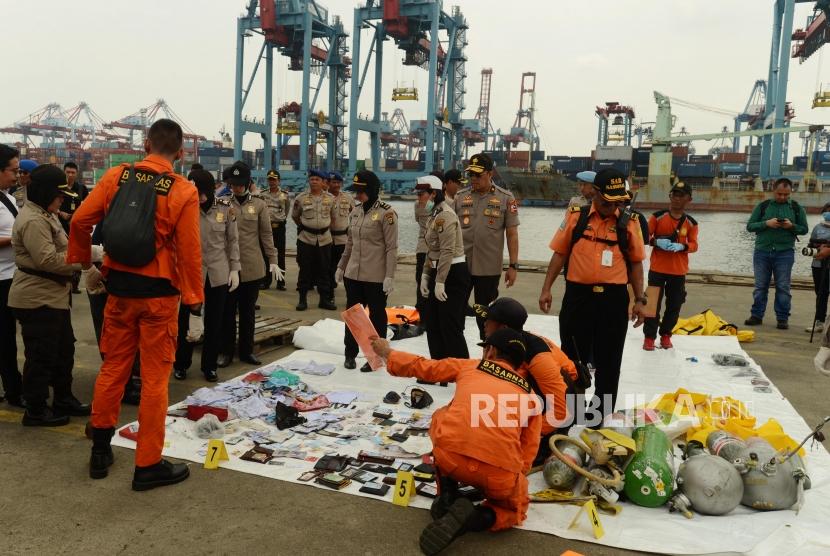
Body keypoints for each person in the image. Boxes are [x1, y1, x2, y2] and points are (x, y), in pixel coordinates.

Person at [68, 118, 202, 489]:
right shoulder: (182, 189)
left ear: (145, 145)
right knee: (156, 379)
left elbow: (80, 220)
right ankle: (147, 465)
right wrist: (194, 300)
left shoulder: (117, 176)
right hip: (159, 296)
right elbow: (190, 252)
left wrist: (85, 264)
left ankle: (99, 449)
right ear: (179, 152)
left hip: (119, 291)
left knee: (114, 368)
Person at [371, 329, 541, 555]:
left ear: (491, 351)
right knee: (515, 510)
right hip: (497, 475)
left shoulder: (470, 366)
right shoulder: (530, 396)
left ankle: (448, 494)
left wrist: (388, 353)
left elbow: (424, 366)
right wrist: (514, 481)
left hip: (451, 458)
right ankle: (473, 519)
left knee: (442, 416)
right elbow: (529, 449)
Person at [538, 169, 647, 423]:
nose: (614, 206)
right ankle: (573, 412)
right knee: (572, 358)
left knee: (609, 361)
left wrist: (639, 300)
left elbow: (636, 265)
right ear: (595, 193)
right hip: (578, 298)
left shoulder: (629, 223)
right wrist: (546, 288)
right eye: (609, 201)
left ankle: (599, 415)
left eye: (619, 201)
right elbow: (560, 254)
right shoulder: (577, 218)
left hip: (613, 300)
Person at [9, 165, 89, 426]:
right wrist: (87, 258)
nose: (63, 199)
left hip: (54, 296)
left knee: (64, 350)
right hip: (37, 297)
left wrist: (90, 257)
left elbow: (67, 248)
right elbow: (48, 260)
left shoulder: (46, 213)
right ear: (45, 192)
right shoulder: (33, 220)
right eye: (59, 194)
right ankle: (35, 409)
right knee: (41, 355)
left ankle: (63, 398)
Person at [477, 297, 578, 463]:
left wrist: (525, 434)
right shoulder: (497, 344)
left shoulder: (538, 358)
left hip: (564, 403)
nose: (484, 324)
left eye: (489, 320)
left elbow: (562, 411)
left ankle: (546, 438)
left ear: (503, 327)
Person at [175, 169, 240, 381]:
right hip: (191, 274)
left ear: (212, 189)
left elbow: (232, 241)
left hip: (218, 273)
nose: (200, 197)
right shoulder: (185, 208)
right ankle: (181, 363)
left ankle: (209, 365)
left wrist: (234, 269)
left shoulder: (225, 209)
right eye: (196, 192)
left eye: (203, 192)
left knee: (215, 321)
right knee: (186, 320)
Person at [217, 161, 279, 368]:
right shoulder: (223, 204)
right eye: (233, 184)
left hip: (252, 267)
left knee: (248, 312)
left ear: (247, 183)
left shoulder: (259, 205)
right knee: (227, 312)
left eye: (240, 184)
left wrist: (273, 260)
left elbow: (266, 235)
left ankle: (246, 351)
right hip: (228, 267)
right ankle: (225, 351)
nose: (236, 188)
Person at [335, 170, 397, 371]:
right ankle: (349, 354)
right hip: (353, 274)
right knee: (353, 316)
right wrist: (341, 267)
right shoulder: (355, 211)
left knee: (377, 316)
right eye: (356, 191)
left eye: (361, 191)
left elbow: (391, 248)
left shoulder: (387, 213)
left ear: (372, 190)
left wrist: (389, 276)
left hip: (376, 276)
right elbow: (350, 244)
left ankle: (376, 358)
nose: (357, 195)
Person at [454, 152, 520, 339]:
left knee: (485, 315)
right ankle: (457, 355)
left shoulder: (506, 198)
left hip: (488, 269)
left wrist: (513, 266)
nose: (473, 179)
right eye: (470, 175)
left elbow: (512, 234)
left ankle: (489, 352)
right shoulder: (460, 197)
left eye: (478, 174)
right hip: (461, 265)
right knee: (455, 311)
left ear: (490, 174)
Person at [87, 224, 142, 405]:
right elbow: (87, 244)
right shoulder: (105, 214)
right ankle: (120, 386)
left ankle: (127, 381)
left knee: (127, 338)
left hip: (123, 283)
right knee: (111, 339)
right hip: (103, 282)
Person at [744, 178, 808, 330]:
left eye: (786, 194)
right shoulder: (763, 206)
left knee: (783, 287)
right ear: (773, 190)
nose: (782, 197)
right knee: (760, 286)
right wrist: (766, 223)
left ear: (790, 192)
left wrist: (791, 226)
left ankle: (782, 318)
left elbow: (804, 229)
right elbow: (750, 226)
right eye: (779, 194)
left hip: (785, 252)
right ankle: (756, 315)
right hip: (762, 251)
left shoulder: (796, 208)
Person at [419, 174, 470, 359]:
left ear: (432, 194)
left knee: (450, 325)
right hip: (438, 270)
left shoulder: (446, 216)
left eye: (421, 194)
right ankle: (439, 368)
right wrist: (426, 275)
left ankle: (462, 369)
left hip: (453, 274)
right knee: (433, 324)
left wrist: (440, 281)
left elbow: (447, 251)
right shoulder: (434, 215)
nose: (419, 199)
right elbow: (432, 250)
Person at [643, 181, 699, 351]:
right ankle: (649, 337)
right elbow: (644, 237)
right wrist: (656, 241)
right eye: (674, 194)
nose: (676, 198)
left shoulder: (691, 223)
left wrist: (683, 246)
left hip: (678, 270)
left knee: (674, 305)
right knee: (652, 304)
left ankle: (666, 334)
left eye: (681, 195)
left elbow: (695, 244)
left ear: (688, 199)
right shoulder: (657, 217)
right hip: (657, 269)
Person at [292, 169, 337, 311]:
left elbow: (333, 217)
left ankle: (324, 300)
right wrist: (306, 227)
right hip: (306, 239)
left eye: (317, 179)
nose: (314, 182)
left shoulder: (330, 199)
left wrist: (322, 228)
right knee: (305, 269)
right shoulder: (300, 198)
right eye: (312, 179)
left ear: (322, 182)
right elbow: (295, 216)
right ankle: (302, 300)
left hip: (324, 239)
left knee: (325, 270)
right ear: (309, 181)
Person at [0, 146, 23, 407]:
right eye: (13, 171)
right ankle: (13, 389)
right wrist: (17, 239)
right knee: (4, 338)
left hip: (12, 275)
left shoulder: (7, 197)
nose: (17, 176)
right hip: (1, 279)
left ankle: (14, 383)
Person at [261, 169, 289, 291]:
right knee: (266, 254)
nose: (272, 182)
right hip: (266, 228)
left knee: (280, 255)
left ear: (279, 181)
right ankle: (266, 281)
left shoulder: (285, 195)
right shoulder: (262, 194)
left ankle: (280, 282)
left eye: (274, 180)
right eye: (270, 180)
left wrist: (280, 220)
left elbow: (287, 210)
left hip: (279, 227)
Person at [328, 171, 354, 300]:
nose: (336, 185)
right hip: (327, 238)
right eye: (334, 182)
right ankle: (329, 294)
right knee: (328, 267)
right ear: (328, 183)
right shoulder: (324, 198)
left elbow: (355, 214)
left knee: (345, 267)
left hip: (343, 238)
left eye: (338, 182)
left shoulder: (347, 197)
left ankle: (351, 296)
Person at [805, 202, 830, 334]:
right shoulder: (817, 228)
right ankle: (819, 321)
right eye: (827, 211)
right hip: (818, 265)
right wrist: (816, 248)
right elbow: (811, 243)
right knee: (820, 293)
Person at [413, 175, 433, 322]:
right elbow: (418, 221)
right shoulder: (417, 205)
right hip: (423, 247)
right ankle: (421, 308)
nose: (419, 197)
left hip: (436, 249)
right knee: (420, 278)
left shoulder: (441, 205)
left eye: (421, 194)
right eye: (418, 194)